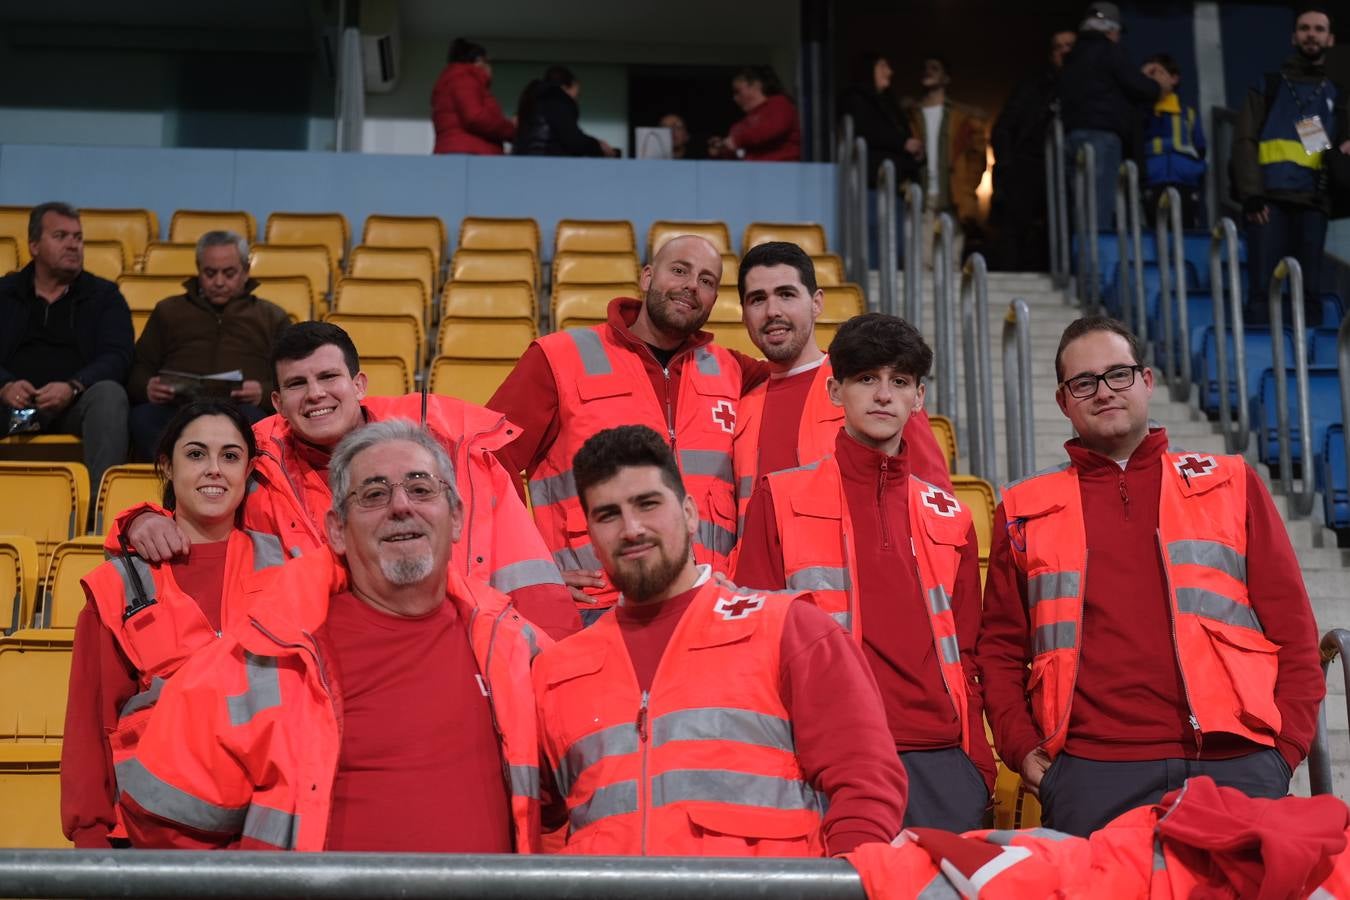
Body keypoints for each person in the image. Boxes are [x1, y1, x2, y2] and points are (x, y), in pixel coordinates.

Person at [117, 420, 545, 851]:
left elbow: (585, 797)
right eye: (374, 494)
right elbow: (162, 823)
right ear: (337, 530)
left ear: (455, 518)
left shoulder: (514, 643)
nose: (401, 506)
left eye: (420, 488)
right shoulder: (260, 655)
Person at [977, 315, 1325, 837]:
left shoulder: (1232, 483)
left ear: (1147, 381)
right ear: (1063, 401)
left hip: (1236, 762)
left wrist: (1286, 748)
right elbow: (1000, 650)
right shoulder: (1023, 509)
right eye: (1084, 382)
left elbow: (1293, 630)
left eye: (1119, 374)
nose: (1104, 392)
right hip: (1092, 772)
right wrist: (1023, 752)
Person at [532, 424, 908, 856]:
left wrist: (844, 884)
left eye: (648, 504)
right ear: (592, 538)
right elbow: (539, 831)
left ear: (690, 513)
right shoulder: (554, 671)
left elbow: (865, 783)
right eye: (608, 514)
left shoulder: (790, 629)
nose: (631, 528)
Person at [121, 321, 580, 640]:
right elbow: (191, 505)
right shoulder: (250, 456)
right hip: (318, 676)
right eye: (298, 384)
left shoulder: (451, 444)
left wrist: (546, 673)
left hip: (461, 650)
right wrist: (138, 521)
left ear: (358, 384)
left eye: (327, 377)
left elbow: (524, 570)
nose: (316, 393)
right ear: (278, 402)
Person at [735, 313, 993, 831]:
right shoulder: (779, 496)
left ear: (918, 399)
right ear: (836, 391)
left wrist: (977, 765)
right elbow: (754, 645)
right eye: (866, 379)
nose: (882, 395)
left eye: (899, 381)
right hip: (827, 756)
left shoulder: (951, 514)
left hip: (942, 761)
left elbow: (967, 652)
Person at [488, 235, 769, 620]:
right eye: (680, 270)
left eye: (707, 281)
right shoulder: (559, 357)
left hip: (705, 602)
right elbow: (484, 460)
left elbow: (807, 374)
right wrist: (531, 571)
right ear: (647, 277)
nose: (692, 285)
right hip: (595, 605)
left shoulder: (735, 371)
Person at [61, 401, 289, 847]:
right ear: (167, 466)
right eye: (196, 454)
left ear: (248, 470)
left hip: (266, 841)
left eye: (230, 456)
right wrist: (90, 839)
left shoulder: (289, 568)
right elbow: (90, 726)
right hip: (151, 840)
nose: (214, 470)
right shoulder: (119, 585)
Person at [728, 241, 952, 538]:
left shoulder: (872, 389)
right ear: (743, 314)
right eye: (757, 299)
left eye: (786, 294)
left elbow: (937, 509)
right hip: (754, 581)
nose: (772, 311)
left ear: (817, 302)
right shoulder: (739, 399)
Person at [0, 201, 132, 498]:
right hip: (11, 405)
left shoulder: (104, 296)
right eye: (61, 236)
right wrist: (4, 386)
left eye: (78, 237)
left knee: (110, 395)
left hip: (73, 406)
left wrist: (73, 387)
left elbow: (118, 356)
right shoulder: (5, 293)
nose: (73, 245)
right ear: (34, 245)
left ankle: (101, 517)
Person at [127, 231, 290, 461]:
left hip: (241, 411)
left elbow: (291, 377)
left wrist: (262, 393)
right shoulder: (168, 311)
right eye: (210, 273)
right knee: (143, 417)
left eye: (229, 273)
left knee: (259, 423)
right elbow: (138, 368)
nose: (219, 282)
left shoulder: (272, 317)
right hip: (176, 408)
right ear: (198, 269)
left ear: (245, 271)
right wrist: (147, 387)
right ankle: (170, 481)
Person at [1233, 6, 1350, 328]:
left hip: (1313, 206)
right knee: (1262, 291)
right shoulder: (1268, 85)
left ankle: (1305, 366)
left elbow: (1326, 149)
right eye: (1304, 28)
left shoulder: (1334, 95)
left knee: (1309, 293)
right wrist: (1251, 195)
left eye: (1318, 29)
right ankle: (1263, 361)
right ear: (1293, 36)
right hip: (1268, 205)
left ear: (1330, 39)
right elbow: (1244, 140)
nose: (1311, 34)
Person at [1059, 2, 1167, 230]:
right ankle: (1095, 263)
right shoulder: (1109, 50)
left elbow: (1100, 85)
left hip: (1072, 137)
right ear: (1110, 29)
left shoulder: (1072, 57)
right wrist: (1158, 86)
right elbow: (1137, 87)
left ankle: (1081, 261)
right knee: (1098, 208)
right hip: (1102, 138)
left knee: (1080, 208)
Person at [990, 30, 1076, 271]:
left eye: (1070, 46)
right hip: (1029, 165)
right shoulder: (1033, 85)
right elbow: (1004, 127)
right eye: (1058, 47)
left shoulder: (1088, 88)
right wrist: (1007, 164)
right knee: (1017, 230)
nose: (1065, 52)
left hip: (1068, 168)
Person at [904, 57, 988, 266]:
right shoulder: (910, 115)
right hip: (920, 195)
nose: (928, 72)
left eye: (934, 68)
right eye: (925, 68)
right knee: (920, 262)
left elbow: (977, 156)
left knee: (950, 262)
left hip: (953, 197)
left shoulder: (961, 117)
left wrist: (967, 188)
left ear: (946, 77)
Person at [1140, 53, 1206, 229]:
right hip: (1153, 181)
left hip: (1185, 183)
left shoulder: (1188, 114)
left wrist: (1192, 171)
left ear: (1174, 78)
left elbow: (1200, 148)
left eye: (1158, 72)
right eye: (1148, 74)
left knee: (1187, 232)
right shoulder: (1141, 112)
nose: (1152, 78)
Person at [431, 38, 516, 155]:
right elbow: (475, 118)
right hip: (468, 157)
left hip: (460, 154)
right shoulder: (464, 78)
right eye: (488, 62)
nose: (490, 68)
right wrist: (512, 129)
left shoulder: (454, 79)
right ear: (480, 61)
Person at [515, 65, 617, 158]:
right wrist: (598, 147)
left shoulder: (532, 100)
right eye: (577, 95)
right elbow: (574, 141)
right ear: (566, 87)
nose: (575, 101)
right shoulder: (557, 100)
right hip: (549, 164)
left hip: (525, 163)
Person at [708, 66, 801, 161]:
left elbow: (771, 129)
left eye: (738, 91)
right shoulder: (741, 125)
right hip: (754, 172)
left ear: (756, 85)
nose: (735, 98)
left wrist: (737, 140)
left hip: (784, 171)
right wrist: (722, 148)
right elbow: (740, 154)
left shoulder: (780, 103)